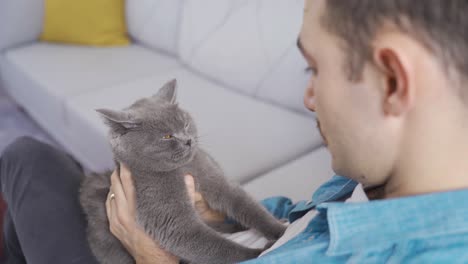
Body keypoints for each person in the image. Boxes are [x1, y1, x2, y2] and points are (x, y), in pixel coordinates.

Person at [2, 0, 468, 263]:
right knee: (38, 158)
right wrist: (215, 215)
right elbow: (288, 222)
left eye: (314, 68)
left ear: (392, 81)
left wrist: (148, 253)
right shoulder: (370, 178)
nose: (308, 97)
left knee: (24, 161)